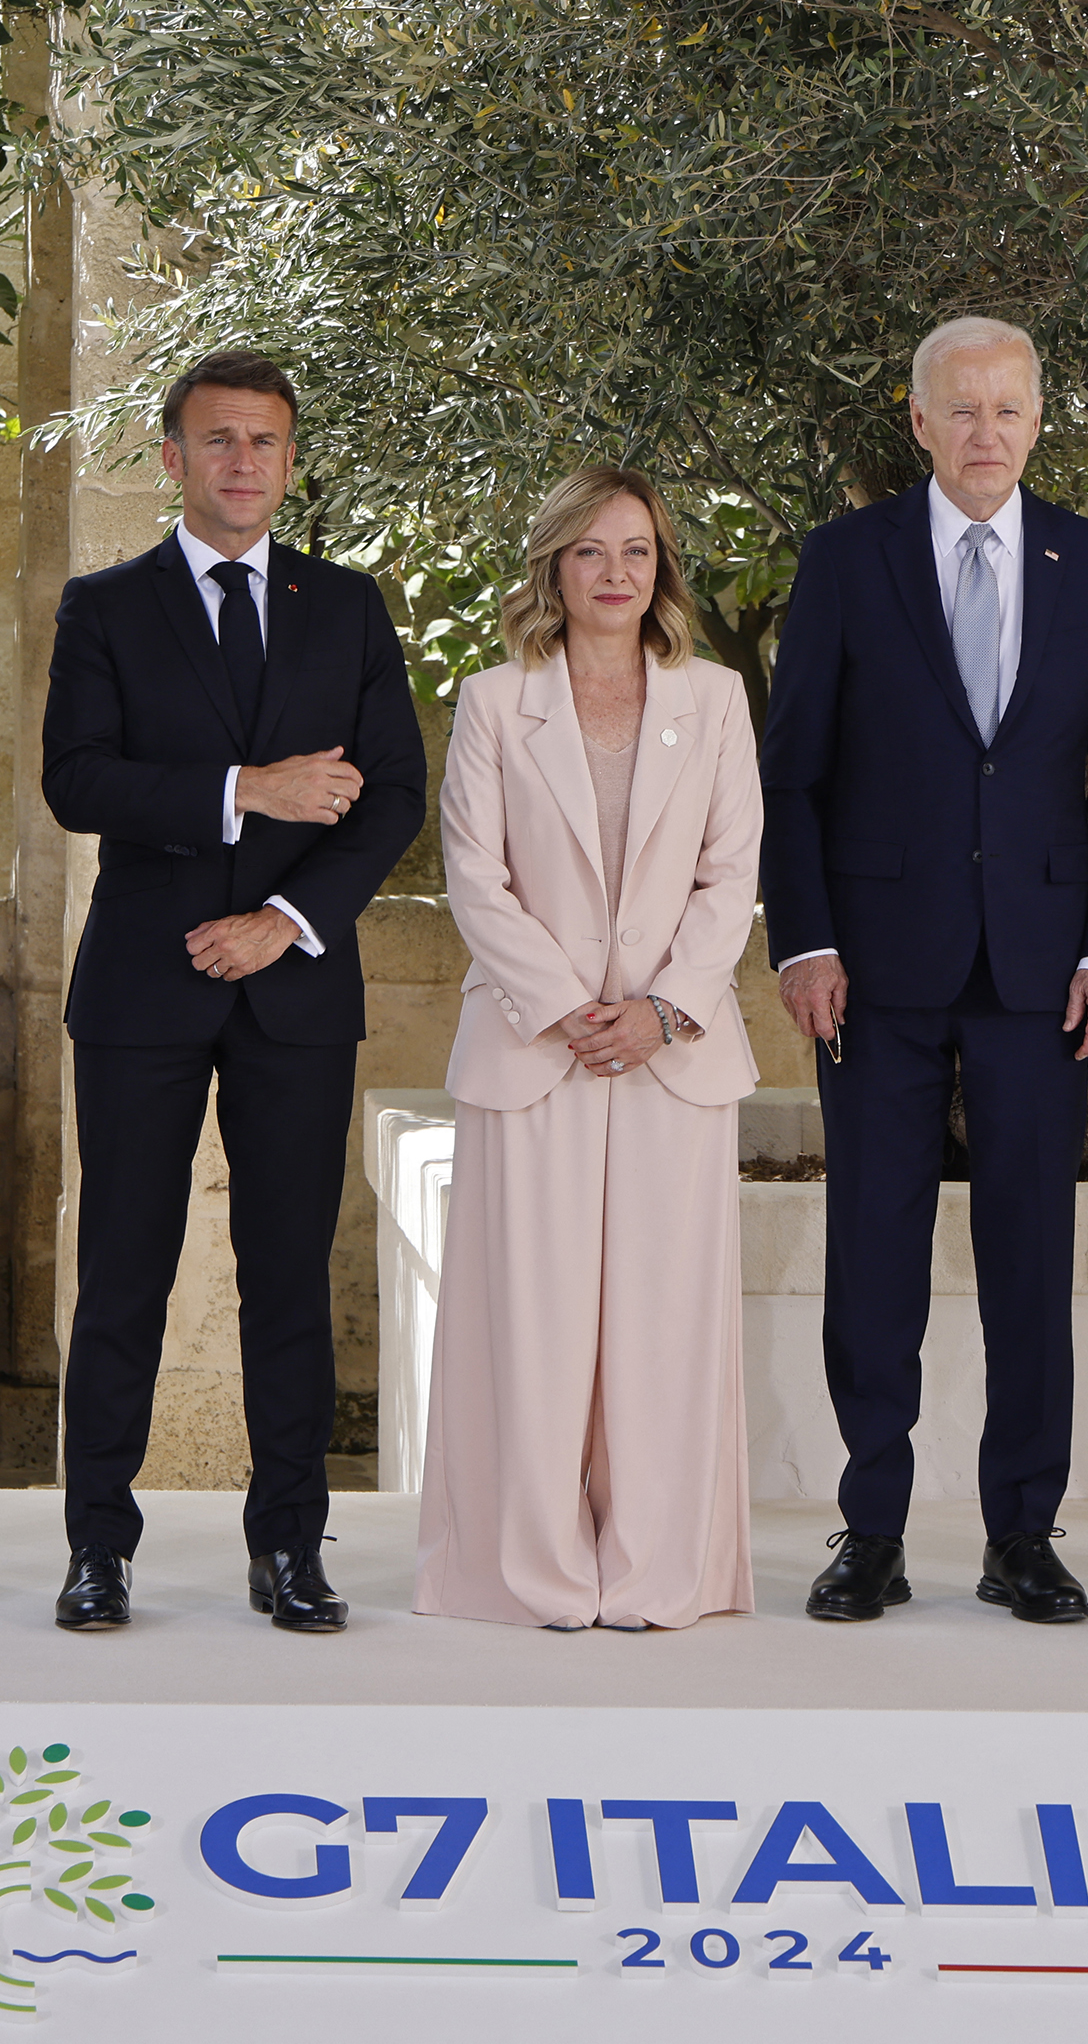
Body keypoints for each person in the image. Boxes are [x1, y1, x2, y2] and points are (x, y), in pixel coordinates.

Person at [760, 316, 1088, 1626]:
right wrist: (806, 937)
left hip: (1044, 974)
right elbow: (796, 773)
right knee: (874, 1253)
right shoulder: (845, 561)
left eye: (1010, 409)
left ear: (1042, 419)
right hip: (873, 971)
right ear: (918, 421)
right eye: (962, 410)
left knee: (1029, 1261)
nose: (987, 433)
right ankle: (870, 1523)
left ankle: (1023, 1532)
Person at [42, 351, 425, 1634]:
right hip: (144, 988)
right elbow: (77, 783)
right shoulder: (103, 608)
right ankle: (98, 1546)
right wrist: (244, 788)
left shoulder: (350, 609)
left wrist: (284, 919)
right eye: (218, 440)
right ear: (172, 457)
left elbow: (394, 799)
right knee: (124, 1273)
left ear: (290, 459)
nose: (243, 461)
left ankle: (290, 1550)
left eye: (265, 441)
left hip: (296, 987)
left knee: (289, 1279)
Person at [417, 468, 763, 1631]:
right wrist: (570, 1006)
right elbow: (475, 874)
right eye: (590, 553)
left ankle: (661, 1567)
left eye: (636, 551)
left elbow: (732, 874)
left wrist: (662, 1009)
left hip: (674, 1054)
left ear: (660, 566)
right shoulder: (490, 701)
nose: (616, 574)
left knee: (662, 1326)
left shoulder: (712, 699)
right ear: (553, 567)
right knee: (535, 1322)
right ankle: (532, 1571)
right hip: (536, 1050)